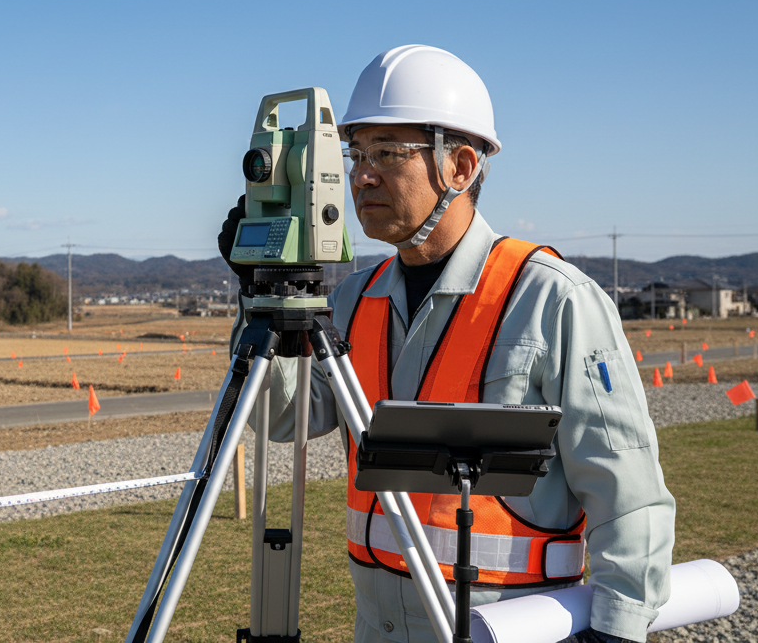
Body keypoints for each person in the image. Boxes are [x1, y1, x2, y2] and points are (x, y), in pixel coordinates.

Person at [218, 45, 674, 643]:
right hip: (380, 626)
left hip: (511, 625)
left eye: (387, 153)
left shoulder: (553, 300)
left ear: (460, 167)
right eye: (355, 154)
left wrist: (618, 629)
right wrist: (264, 299)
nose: (361, 175)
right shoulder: (355, 300)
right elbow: (280, 419)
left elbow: (627, 490)